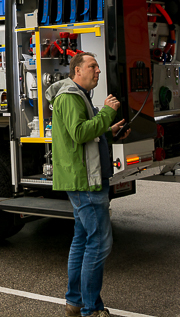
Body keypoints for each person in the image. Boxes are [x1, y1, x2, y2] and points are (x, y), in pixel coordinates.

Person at [49, 52, 129, 317]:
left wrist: (109, 130)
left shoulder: (78, 95)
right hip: (85, 181)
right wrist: (107, 112)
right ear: (77, 71)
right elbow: (79, 133)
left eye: (98, 67)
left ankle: (75, 302)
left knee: (82, 239)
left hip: (83, 178)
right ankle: (91, 309)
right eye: (92, 66)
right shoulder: (70, 96)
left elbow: (86, 132)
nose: (98, 71)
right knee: (99, 243)